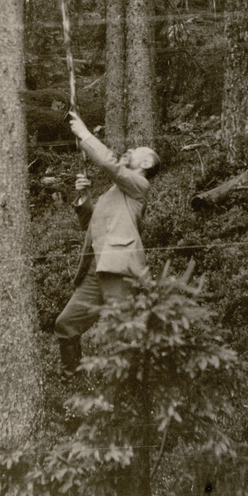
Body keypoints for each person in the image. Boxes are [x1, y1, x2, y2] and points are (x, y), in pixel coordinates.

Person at [54, 110, 160, 373]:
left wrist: (84, 133)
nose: (131, 149)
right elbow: (91, 226)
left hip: (118, 268)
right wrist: (84, 198)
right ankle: (72, 378)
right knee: (65, 323)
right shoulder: (117, 189)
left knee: (124, 331)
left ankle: (134, 387)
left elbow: (109, 165)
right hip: (95, 269)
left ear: (146, 163)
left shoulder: (139, 186)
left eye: (137, 150)